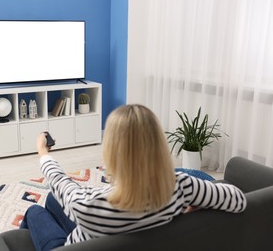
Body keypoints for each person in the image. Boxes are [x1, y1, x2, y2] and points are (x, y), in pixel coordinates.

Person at [20, 104, 247, 251]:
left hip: (71, 245)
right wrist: (189, 211)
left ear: (112, 150)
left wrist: (42, 152)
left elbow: (61, 183)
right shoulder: (182, 186)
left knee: (34, 211)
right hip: (121, 228)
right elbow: (238, 199)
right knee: (52, 198)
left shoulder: (87, 204)